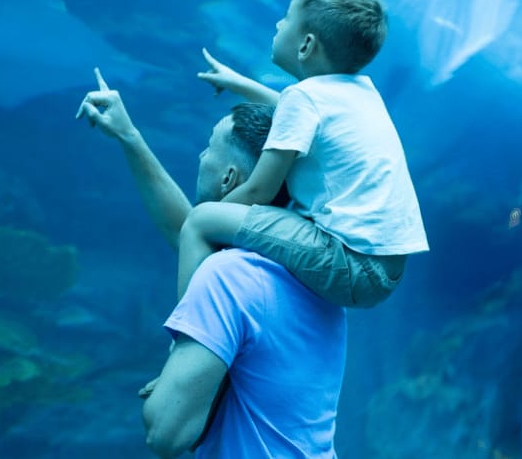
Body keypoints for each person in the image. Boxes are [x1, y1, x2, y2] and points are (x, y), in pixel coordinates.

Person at [76, 68, 346, 458]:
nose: (201, 156)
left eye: (208, 147)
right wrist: (129, 137)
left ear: (229, 178)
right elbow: (185, 229)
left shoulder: (227, 277)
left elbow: (166, 433)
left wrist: (175, 368)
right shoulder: (311, 273)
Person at [178, 0, 428, 308]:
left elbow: (258, 191)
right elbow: (290, 114)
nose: (278, 24)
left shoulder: (305, 98)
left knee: (201, 221)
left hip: (349, 264)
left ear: (306, 45)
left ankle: (190, 323)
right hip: (386, 271)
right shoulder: (359, 94)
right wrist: (239, 83)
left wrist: (215, 216)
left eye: (287, 18)